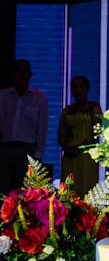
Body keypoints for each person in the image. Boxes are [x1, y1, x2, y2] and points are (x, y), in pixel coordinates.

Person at [0, 59, 49, 195]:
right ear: (12, 73)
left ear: (30, 75)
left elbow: (42, 127)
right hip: (4, 148)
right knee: (2, 188)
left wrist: (38, 154)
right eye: (18, 71)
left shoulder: (39, 98)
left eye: (24, 71)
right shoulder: (3, 96)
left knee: (25, 191)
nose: (21, 75)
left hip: (27, 150)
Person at [58, 75, 102, 198]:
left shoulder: (94, 108)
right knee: (69, 189)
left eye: (81, 86)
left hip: (87, 155)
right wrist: (67, 148)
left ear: (87, 89)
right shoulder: (67, 110)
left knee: (87, 188)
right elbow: (61, 134)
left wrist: (83, 146)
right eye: (75, 87)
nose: (78, 90)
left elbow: (97, 130)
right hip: (70, 155)